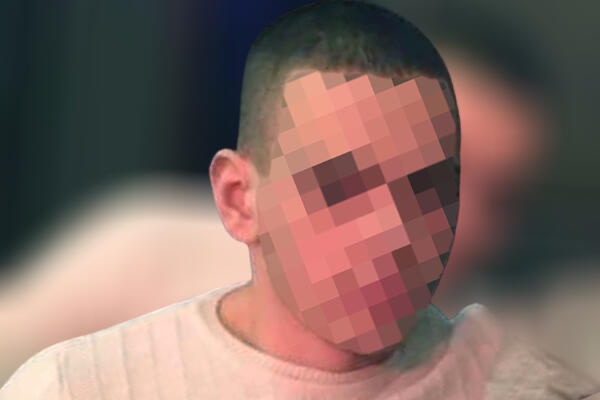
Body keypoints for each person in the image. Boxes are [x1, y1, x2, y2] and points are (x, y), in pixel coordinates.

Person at [1, 1, 598, 399]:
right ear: (239, 198)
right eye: (342, 186)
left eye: (431, 185)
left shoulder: (511, 359)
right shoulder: (102, 337)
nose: (396, 231)